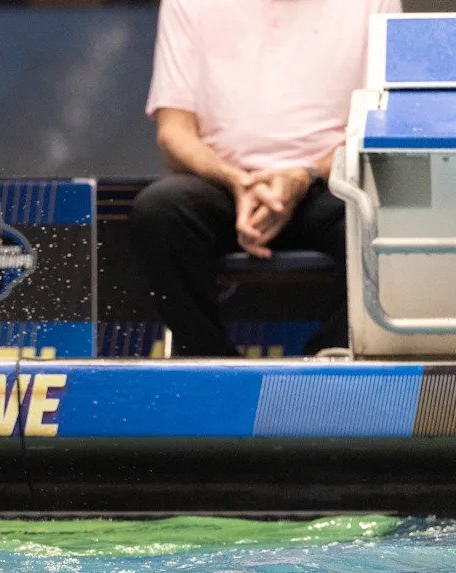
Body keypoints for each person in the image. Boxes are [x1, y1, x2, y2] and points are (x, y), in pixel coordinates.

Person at [130, 0, 401, 357]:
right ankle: (212, 366)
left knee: (382, 213)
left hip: (332, 178)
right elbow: (173, 131)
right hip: (224, 183)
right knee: (159, 210)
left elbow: (384, 119)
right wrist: (236, 180)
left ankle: (326, 367)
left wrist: (304, 175)